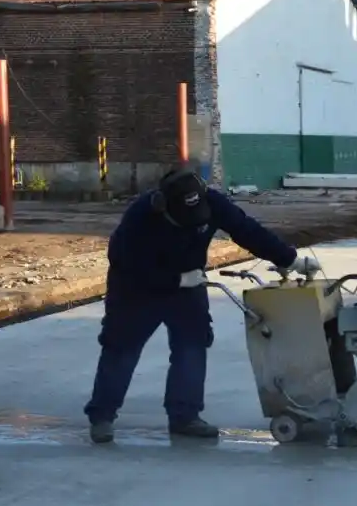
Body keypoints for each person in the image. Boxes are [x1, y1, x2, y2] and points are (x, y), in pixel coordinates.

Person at [84, 166, 320, 444]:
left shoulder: (212, 202)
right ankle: (102, 416)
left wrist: (289, 260)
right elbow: (125, 263)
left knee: (192, 346)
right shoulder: (141, 216)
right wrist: (175, 280)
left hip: (188, 285)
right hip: (135, 290)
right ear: (164, 206)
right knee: (122, 348)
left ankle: (185, 417)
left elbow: (247, 231)